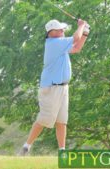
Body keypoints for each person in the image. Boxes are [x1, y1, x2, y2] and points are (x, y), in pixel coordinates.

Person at [21, 19, 90, 155]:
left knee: (61, 121)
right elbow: (76, 38)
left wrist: (85, 33)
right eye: (60, 29)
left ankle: (62, 151)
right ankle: (26, 147)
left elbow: (77, 48)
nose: (63, 31)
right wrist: (81, 26)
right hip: (51, 88)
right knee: (44, 119)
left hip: (63, 88)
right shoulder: (54, 43)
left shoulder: (60, 44)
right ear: (51, 32)